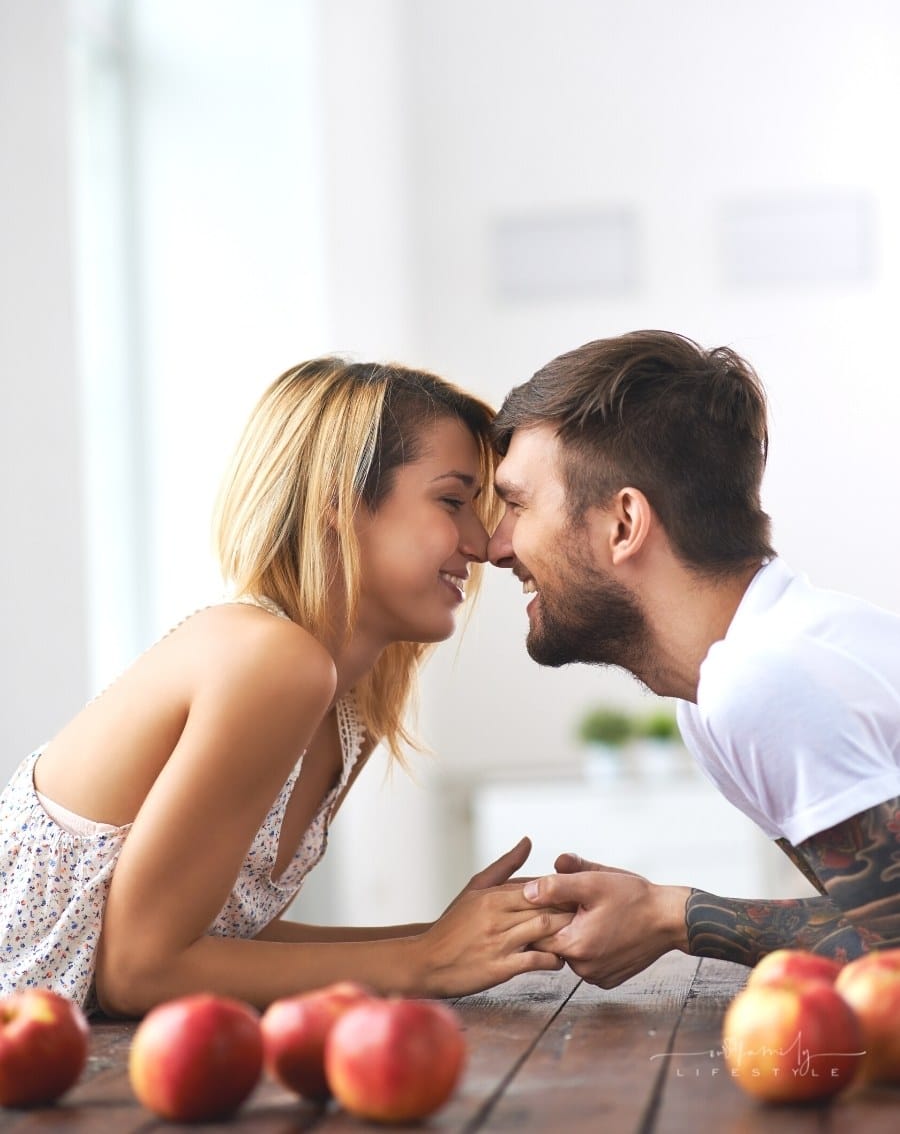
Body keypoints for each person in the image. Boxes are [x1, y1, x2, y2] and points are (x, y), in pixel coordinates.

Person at [0, 358, 569, 1016]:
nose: (481, 541)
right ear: (337, 504)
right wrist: (424, 959)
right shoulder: (270, 660)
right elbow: (140, 971)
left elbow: (217, 946)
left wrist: (463, 935)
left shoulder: (354, 710)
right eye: (452, 500)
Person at [487, 329, 900, 987]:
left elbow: (892, 950)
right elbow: (873, 922)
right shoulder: (713, 698)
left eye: (516, 504)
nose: (495, 546)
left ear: (623, 525)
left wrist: (668, 915)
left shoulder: (762, 679)